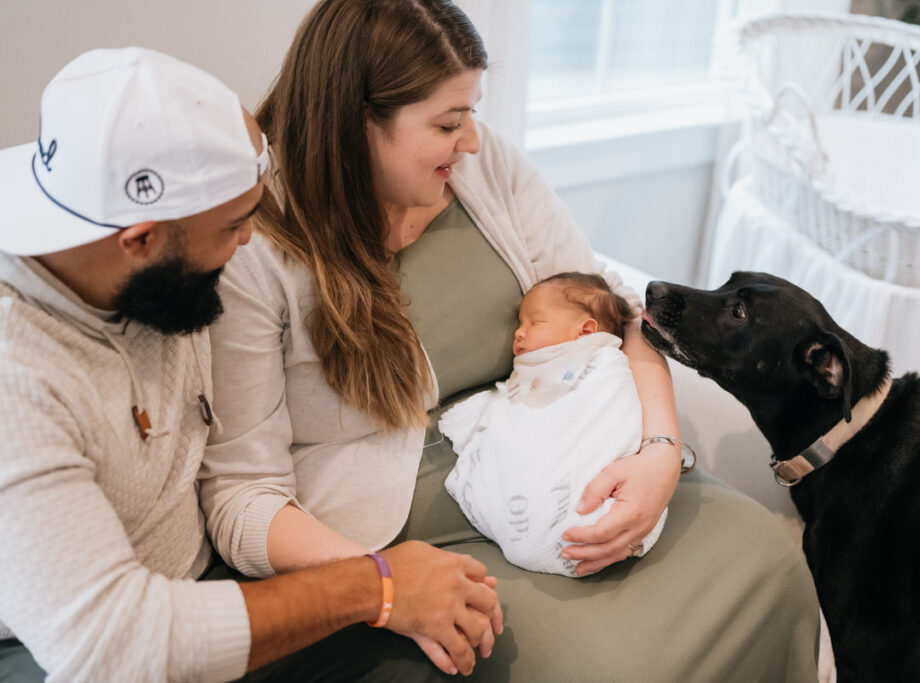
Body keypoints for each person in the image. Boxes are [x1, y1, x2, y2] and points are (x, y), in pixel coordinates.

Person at [203, 0, 821, 679]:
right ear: (359, 123)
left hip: (567, 448)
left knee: (767, 558)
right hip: (407, 536)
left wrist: (658, 453)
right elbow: (239, 497)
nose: (470, 139)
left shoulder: (479, 167)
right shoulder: (254, 244)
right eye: (447, 122)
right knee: (615, 665)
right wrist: (380, 580)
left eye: (471, 112)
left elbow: (612, 304)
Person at [0, 47, 500, 682]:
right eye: (237, 226)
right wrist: (377, 585)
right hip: (61, 652)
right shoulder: (18, 380)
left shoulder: (133, 267)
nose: (250, 243)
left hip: (208, 587)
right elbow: (113, 646)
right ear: (140, 240)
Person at [441, 273, 682, 576]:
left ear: (585, 331)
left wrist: (662, 451)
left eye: (535, 323)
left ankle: (563, 520)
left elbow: (605, 417)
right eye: (519, 323)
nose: (518, 333)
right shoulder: (533, 375)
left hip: (583, 506)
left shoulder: (602, 367)